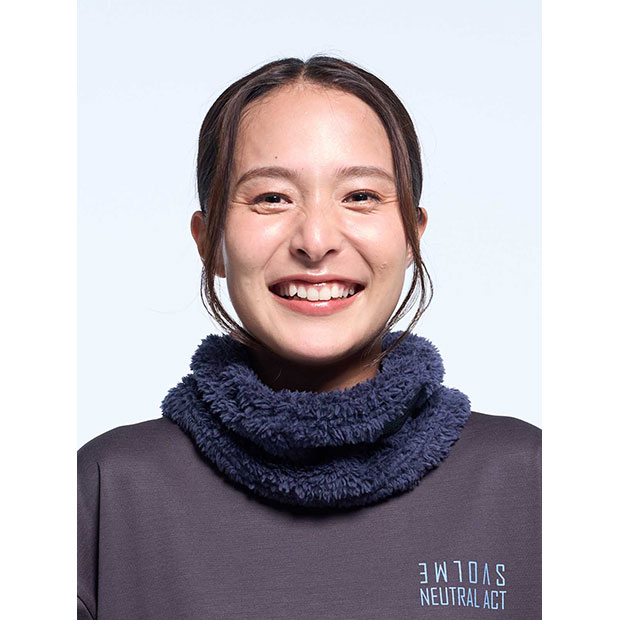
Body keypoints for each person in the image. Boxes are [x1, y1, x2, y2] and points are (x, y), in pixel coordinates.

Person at [77, 56, 541, 619]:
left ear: (413, 237)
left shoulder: (534, 483)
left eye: (360, 196)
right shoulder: (105, 489)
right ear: (209, 241)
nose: (316, 241)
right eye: (272, 198)